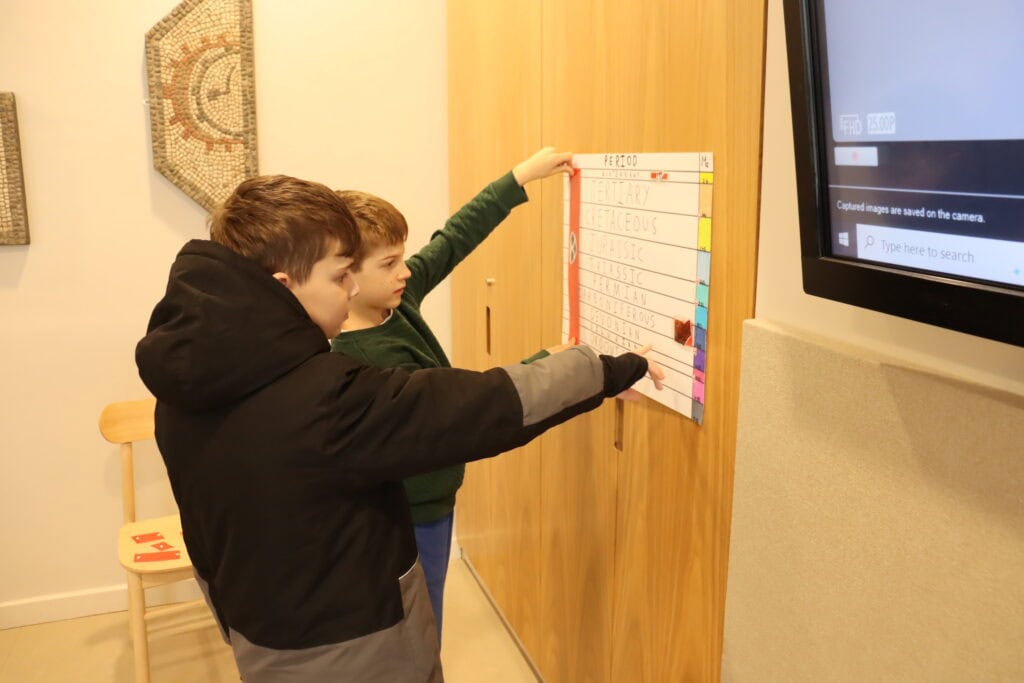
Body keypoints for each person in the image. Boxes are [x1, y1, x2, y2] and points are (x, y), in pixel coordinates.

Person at [135, 173, 663, 682]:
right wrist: (606, 370)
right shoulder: (324, 397)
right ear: (284, 285)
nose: (350, 289)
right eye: (339, 275)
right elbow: (480, 407)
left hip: (255, 634)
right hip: (354, 650)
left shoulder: (185, 386)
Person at [331, 147, 571, 640]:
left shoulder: (396, 302)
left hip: (434, 503)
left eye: (403, 257)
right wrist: (548, 362)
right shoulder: (367, 359)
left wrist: (518, 178)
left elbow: (452, 240)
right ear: (347, 277)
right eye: (390, 263)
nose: (405, 271)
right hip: (412, 514)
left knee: (424, 615)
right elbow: (460, 410)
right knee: (420, 626)